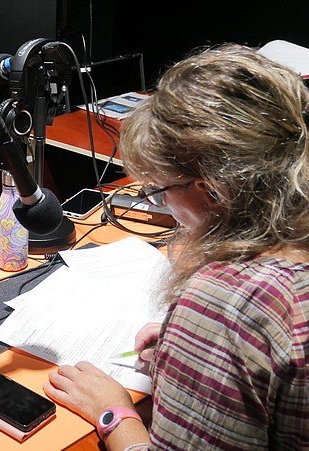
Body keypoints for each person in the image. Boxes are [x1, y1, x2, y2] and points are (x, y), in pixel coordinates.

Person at [42, 44, 309, 449]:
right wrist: (192, 348)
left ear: (213, 190)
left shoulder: (225, 304)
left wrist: (112, 412)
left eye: (160, 191)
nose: (163, 205)